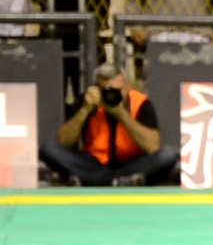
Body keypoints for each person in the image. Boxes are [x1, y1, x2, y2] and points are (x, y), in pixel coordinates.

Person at [38, 63, 179, 187]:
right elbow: (64, 142)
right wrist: (85, 110)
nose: (114, 95)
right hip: (93, 164)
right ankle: (119, 182)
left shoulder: (141, 103)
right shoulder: (88, 101)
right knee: (48, 149)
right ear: (97, 89)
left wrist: (121, 114)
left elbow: (152, 147)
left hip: (131, 164)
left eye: (119, 90)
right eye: (108, 90)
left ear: (127, 86)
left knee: (167, 155)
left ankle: (93, 182)